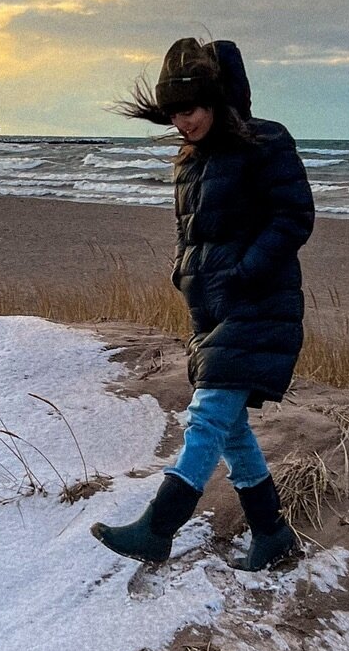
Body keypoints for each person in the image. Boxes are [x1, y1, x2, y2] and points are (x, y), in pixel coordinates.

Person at [92, 37, 315, 570]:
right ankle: (273, 533)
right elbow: (190, 234)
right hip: (208, 309)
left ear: (215, 101)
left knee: (208, 417)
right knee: (231, 428)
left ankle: (160, 526)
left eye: (188, 110)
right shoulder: (190, 161)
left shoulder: (266, 143)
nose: (180, 124)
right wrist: (184, 276)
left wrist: (243, 274)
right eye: (173, 114)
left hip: (257, 303)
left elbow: (294, 217)